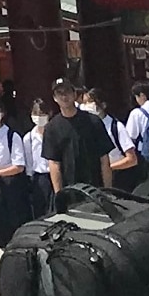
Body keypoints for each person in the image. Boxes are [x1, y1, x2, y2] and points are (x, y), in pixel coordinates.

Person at [0, 92, 41, 247]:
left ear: (2, 114)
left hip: (11, 183)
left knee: (14, 218)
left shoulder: (12, 136)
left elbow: (18, 166)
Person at [43, 82, 111, 210]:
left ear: (74, 94)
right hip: (69, 191)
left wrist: (107, 191)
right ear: (55, 98)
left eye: (67, 92)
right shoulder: (52, 128)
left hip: (95, 189)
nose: (64, 97)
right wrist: (59, 194)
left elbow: (104, 159)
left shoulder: (93, 121)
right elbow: (54, 164)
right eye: (60, 93)